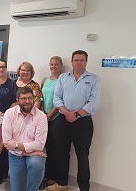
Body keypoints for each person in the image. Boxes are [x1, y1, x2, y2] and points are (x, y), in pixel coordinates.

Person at [48, 50, 101, 191]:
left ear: (86, 62)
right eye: (76, 60)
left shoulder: (94, 79)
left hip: (83, 122)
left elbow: (93, 102)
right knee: (61, 154)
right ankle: (62, 184)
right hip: (62, 120)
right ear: (71, 62)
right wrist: (67, 114)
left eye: (81, 60)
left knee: (82, 156)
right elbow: (57, 99)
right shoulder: (63, 78)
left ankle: (84, 187)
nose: (78, 62)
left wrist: (76, 115)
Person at [2, 87, 48, 191]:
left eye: (30, 98)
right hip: (16, 154)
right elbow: (7, 144)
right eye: (23, 98)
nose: (27, 101)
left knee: (36, 164)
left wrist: (17, 146)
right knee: (17, 189)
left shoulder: (41, 116)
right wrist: (29, 153)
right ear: (17, 100)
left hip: (35, 151)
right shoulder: (9, 114)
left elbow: (39, 144)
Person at [40, 56, 63, 186]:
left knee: (55, 149)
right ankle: (46, 174)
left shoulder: (63, 80)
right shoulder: (45, 80)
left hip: (56, 118)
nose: (53, 67)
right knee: (46, 147)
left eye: (56, 64)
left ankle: (54, 176)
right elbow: (42, 98)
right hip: (45, 118)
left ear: (61, 65)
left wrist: (49, 115)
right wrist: (43, 114)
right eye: (51, 64)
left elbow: (61, 100)